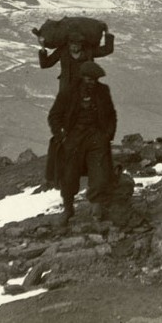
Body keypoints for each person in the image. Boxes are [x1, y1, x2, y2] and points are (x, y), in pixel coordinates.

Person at [47, 61, 117, 225]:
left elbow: (111, 114)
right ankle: (68, 209)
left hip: (96, 138)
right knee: (69, 175)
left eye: (95, 79)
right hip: (74, 139)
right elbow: (54, 116)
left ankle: (96, 211)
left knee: (99, 173)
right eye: (89, 79)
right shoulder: (68, 92)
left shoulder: (103, 91)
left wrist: (107, 135)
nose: (92, 82)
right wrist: (61, 135)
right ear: (83, 77)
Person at [38, 27, 115, 94]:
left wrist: (107, 32)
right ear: (69, 44)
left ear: (81, 44)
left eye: (78, 46)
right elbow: (45, 64)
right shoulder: (62, 51)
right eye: (73, 46)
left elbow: (107, 49)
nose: (75, 48)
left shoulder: (88, 51)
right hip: (67, 89)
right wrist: (43, 48)